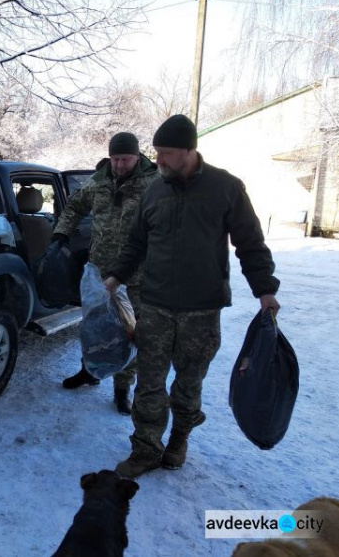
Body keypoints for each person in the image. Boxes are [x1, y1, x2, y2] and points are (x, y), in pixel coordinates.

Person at [104, 115, 280, 478]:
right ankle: (145, 449)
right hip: (154, 304)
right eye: (157, 153)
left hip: (202, 308)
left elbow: (250, 243)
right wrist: (116, 277)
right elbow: (136, 242)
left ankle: (179, 440)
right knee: (149, 380)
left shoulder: (226, 188)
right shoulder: (154, 190)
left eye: (166, 153)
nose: (160, 160)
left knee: (188, 382)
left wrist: (265, 291)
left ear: (189, 150)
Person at [52, 132, 160, 415]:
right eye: (115, 158)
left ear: (137, 157)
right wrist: (61, 233)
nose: (120, 164)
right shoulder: (98, 181)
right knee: (94, 325)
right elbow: (75, 206)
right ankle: (90, 370)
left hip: (136, 274)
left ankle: (122, 389)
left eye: (125, 159)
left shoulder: (154, 182)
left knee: (130, 330)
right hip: (99, 271)